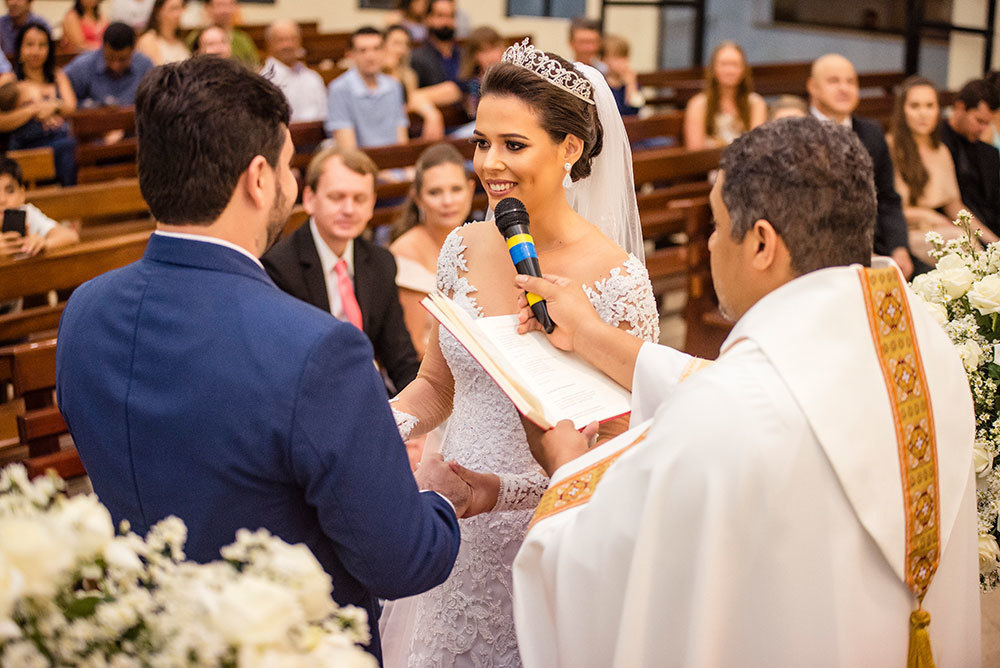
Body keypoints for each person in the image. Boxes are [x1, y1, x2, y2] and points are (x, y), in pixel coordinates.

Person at [510, 117, 980, 668]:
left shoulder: (734, 410)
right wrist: (592, 335)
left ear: (761, 243)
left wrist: (565, 471)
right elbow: (759, 390)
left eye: (714, 224)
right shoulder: (917, 342)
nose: (709, 245)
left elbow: (603, 579)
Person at [55, 56, 466, 664]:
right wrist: (438, 498)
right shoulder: (317, 349)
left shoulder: (85, 311)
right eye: (289, 166)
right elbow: (402, 560)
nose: (291, 183)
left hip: (145, 636)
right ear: (257, 178)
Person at [383, 40, 658, 668]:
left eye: (514, 144)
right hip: (453, 530)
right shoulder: (463, 244)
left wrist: (501, 492)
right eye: (482, 142)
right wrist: (374, 423)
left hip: (545, 537)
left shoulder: (617, 281)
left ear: (570, 148)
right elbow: (439, 386)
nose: (490, 164)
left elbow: (621, 455)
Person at [262, 146, 421, 395]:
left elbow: (401, 358)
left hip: (370, 394)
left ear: (371, 206)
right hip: (309, 396)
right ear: (310, 199)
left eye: (359, 199)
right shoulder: (279, 267)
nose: (349, 209)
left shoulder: (381, 263)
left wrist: (418, 413)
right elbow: (284, 366)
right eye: (337, 197)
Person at [808, 53, 913, 278]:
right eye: (834, 81)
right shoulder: (797, 132)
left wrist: (899, 247)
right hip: (816, 254)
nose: (844, 88)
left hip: (875, 246)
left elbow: (887, 198)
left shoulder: (872, 132)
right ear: (813, 87)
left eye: (850, 82)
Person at [887, 76, 997, 263]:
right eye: (915, 106)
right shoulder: (889, 147)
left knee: (976, 249)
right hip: (902, 234)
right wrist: (929, 216)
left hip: (938, 230)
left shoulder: (941, 150)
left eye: (930, 106)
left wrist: (993, 242)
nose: (923, 114)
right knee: (960, 245)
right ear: (902, 110)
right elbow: (886, 207)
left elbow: (955, 207)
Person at [389, 143, 475, 358]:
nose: (448, 201)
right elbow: (415, 346)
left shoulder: (480, 240)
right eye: (435, 192)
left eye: (456, 189)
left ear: (470, 190)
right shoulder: (406, 252)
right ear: (418, 198)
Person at [9, 21, 77, 186]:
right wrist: (32, 110)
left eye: (42, 45)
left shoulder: (57, 75)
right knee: (68, 148)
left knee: (73, 146)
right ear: (20, 49)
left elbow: (71, 107)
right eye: (30, 45)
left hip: (59, 140)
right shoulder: (11, 82)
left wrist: (52, 106)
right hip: (28, 145)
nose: (36, 51)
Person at [326, 26, 408, 149]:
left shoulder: (394, 86)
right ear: (351, 54)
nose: (370, 56)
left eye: (376, 49)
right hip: (359, 164)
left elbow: (402, 140)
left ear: (384, 51)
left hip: (394, 162)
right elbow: (349, 150)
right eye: (363, 50)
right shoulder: (339, 89)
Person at [939, 78, 1000, 237]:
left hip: (989, 226)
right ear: (960, 108)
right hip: (958, 229)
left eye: (987, 123)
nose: (983, 129)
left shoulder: (989, 153)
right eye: (979, 121)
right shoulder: (938, 143)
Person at [684, 41, 766, 148]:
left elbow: (757, 146)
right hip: (709, 163)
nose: (729, 71)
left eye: (735, 65)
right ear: (713, 68)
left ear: (743, 69)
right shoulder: (698, 104)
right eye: (724, 64)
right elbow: (695, 149)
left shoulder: (756, 103)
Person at [0, 155, 77, 259]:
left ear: (21, 194)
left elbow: (70, 236)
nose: (2, 200)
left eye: (10, 191)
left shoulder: (28, 214)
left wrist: (44, 243)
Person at [64, 22, 153, 107]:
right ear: (103, 46)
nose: (115, 66)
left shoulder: (145, 67)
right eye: (110, 58)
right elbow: (62, 99)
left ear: (133, 50)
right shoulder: (82, 67)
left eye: (122, 59)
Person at [261, 19, 326, 123]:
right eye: (281, 40)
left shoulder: (313, 78)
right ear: (269, 44)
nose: (288, 45)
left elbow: (325, 116)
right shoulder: (264, 81)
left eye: (293, 39)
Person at [186, 0, 255, 68]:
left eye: (230, 4)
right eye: (220, 5)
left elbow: (254, 67)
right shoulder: (195, 38)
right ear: (207, 7)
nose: (226, 10)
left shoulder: (243, 39)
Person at [409, 0, 460, 89]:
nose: (446, 22)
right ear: (428, 18)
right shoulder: (416, 58)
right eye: (440, 16)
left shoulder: (464, 54)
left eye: (451, 16)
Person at [135, 0, 189, 66]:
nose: (179, 13)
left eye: (181, 7)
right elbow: (155, 73)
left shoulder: (181, 39)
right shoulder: (148, 40)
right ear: (159, 12)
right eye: (174, 8)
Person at [602, 34, 644, 117]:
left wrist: (631, 85)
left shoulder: (630, 80)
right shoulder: (602, 82)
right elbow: (617, 111)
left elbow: (635, 109)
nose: (622, 62)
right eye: (617, 58)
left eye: (625, 57)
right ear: (604, 59)